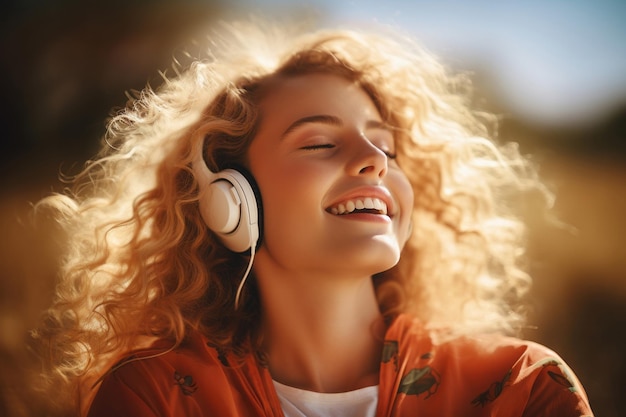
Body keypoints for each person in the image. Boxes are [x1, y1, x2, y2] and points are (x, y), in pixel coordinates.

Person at [31, 19, 594, 417]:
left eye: (386, 149)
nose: (374, 160)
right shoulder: (154, 398)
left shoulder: (520, 387)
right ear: (229, 199)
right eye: (320, 143)